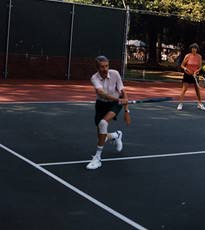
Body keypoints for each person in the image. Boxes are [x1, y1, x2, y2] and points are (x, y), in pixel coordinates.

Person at [86, 56, 131, 170]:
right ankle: (116, 135)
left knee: (103, 124)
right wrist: (117, 99)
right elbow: (101, 94)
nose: (105, 69)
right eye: (102, 66)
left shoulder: (115, 74)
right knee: (101, 136)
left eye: (107, 66)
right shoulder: (94, 78)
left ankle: (97, 158)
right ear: (97, 67)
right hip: (101, 104)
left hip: (115, 105)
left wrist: (126, 111)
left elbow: (123, 93)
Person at [177, 43, 205, 111]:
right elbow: (182, 65)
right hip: (187, 74)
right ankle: (180, 104)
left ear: (197, 49)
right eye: (193, 48)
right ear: (191, 49)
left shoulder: (199, 56)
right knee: (184, 89)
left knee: (197, 90)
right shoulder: (188, 56)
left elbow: (200, 67)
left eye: (195, 48)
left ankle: (200, 104)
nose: (194, 49)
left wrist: (196, 72)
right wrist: (186, 69)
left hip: (195, 75)